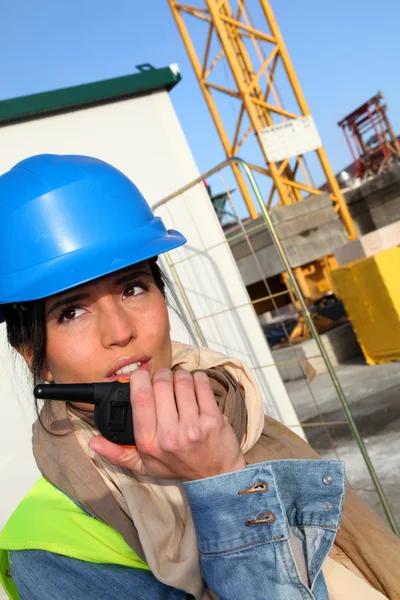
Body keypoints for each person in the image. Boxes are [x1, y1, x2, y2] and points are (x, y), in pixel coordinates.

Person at [0, 154, 398, 600]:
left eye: (133, 287)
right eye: (71, 311)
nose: (121, 331)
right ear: (34, 353)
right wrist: (223, 486)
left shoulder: (230, 409)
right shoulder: (52, 549)